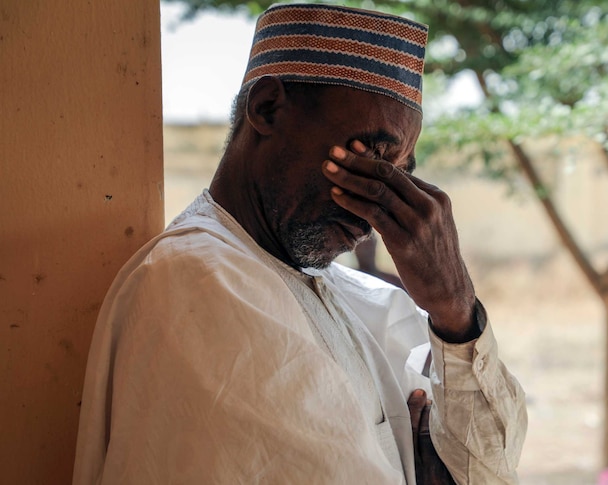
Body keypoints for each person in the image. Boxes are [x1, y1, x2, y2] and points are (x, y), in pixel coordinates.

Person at [73, 4, 527, 484]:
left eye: (396, 177)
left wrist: (455, 313)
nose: (374, 207)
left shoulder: (361, 301)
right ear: (268, 108)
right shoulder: (201, 281)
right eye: (367, 157)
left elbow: (491, 468)